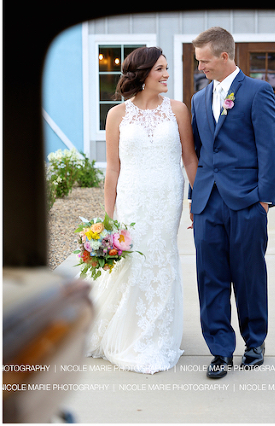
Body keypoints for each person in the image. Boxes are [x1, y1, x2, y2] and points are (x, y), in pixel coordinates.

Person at [86, 47, 198, 374]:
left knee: (161, 261)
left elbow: (190, 159)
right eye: (160, 69)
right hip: (131, 199)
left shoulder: (178, 110)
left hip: (167, 198)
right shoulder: (117, 115)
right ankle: (130, 330)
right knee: (132, 263)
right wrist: (107, 219)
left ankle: (157, 334)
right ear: (143, 73)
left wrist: (199, 202)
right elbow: (112, 170)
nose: (166, 75)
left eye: (166, 69)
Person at [190, 27, 275, 379]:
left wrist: (263, 200)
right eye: (199, 61)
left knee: (249, 275)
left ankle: (254, 342)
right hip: (207, 203)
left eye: (205, 61)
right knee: (210, 277)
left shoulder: (257, 92)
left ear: (225, 56)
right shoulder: (199, 99)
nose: (201, 67)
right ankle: (220, 351)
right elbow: (199, 153)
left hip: (246, 202)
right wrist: (193, 200)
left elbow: (270, 148)